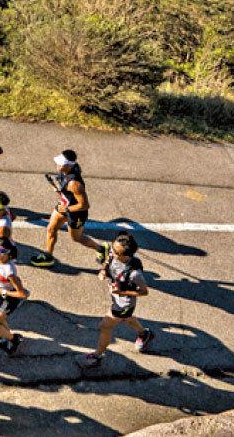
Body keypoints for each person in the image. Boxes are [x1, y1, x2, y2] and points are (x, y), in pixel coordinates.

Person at [80, 233, 154, 368]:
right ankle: (144, 334)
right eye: (112, 248)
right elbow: (109, 259)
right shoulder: (114, 253)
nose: (111, 252)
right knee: (127, 318)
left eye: (115, 251)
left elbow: (144, 292)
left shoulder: (135, 273)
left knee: (105, 326)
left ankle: (97, 356)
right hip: (116, 297)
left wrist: (121, 292)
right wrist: (103, 270)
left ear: (125, 256)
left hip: (124, 303)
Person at [31, 150, 107, 268]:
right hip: (64, 205)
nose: (57, 165)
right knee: (51, 229)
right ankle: (48, 256)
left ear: (69, 165)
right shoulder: (65, 171)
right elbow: (67, 191)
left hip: (76, 213)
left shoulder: (75, 184)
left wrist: (66, 209)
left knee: (77, 238)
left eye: (60, 163)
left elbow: (84, 205)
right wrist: (59, 191)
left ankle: (101, 248)